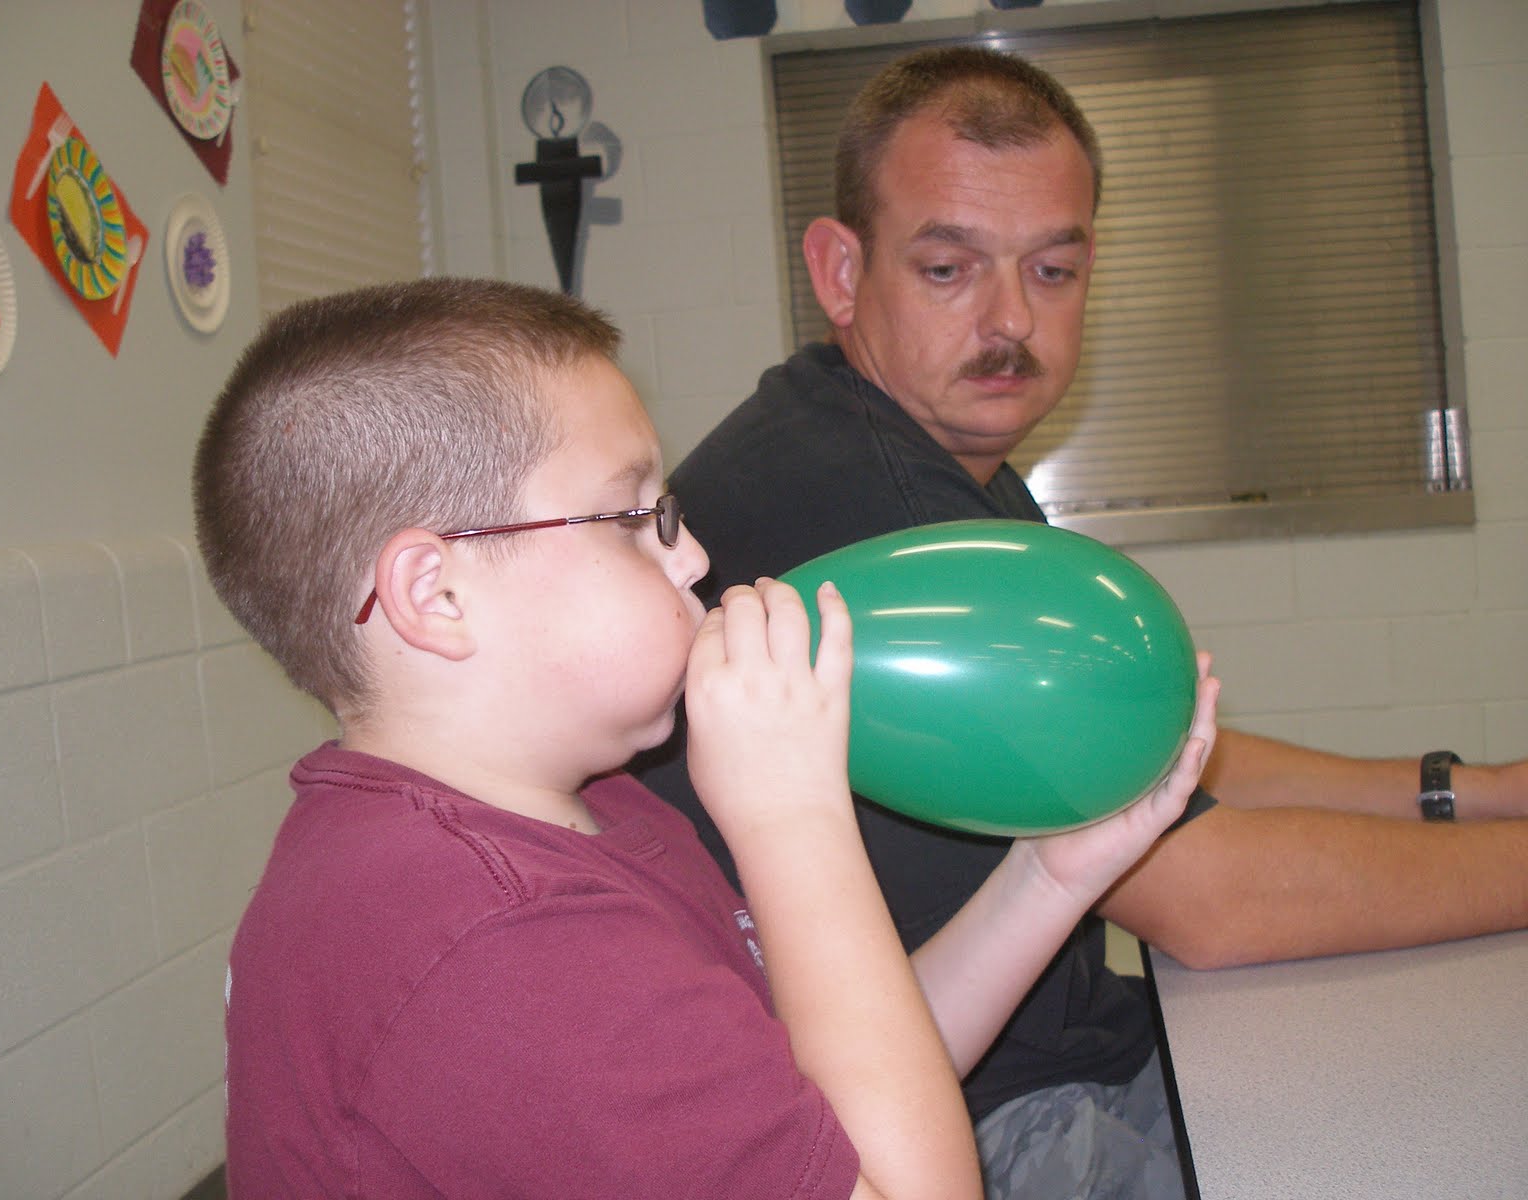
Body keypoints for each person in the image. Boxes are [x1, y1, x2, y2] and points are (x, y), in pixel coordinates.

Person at [632, 45, 1528, 1200]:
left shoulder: (915, 447)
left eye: (1052, 271)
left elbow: (1143, 745)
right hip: (962, 1123)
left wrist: (1469, 789)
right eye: (949, 269)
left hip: (1027, 1056)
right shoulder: (868, 505)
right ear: (841, 270)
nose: (1010, 323)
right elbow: (1207, 898)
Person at [191, 276, 1219, 1198]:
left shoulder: (596, 814)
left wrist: (1047, 879)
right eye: (632, 518)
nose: (693, 558)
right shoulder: (486, 935)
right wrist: (791, 816)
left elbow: (831, 1102)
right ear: (437, 595)